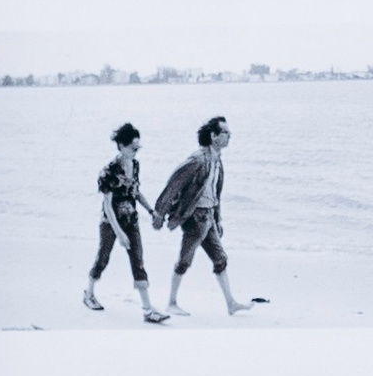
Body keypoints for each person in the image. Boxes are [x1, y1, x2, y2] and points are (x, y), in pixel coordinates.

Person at [151, 113, 263, 318]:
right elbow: (174, 183)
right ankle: (171, 303)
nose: (230, 136)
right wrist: (160, 213)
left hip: (208, 217)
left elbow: (214, 193)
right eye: (226, 133)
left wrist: (217, 218)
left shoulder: (217, 161)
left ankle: (231, 303)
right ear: (213, 136)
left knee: (220, 259)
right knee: (184, 260)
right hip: (195, 218)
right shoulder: (199, 159)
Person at [83, 119, 163, 317]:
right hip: (110, 223)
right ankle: (89, 294)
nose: (136, 150)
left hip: (131, 220)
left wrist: (151, 211)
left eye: (138, 147)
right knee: (103, 258)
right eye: (132, 147)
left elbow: (136, 192)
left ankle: (147, 309)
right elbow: (107, 206)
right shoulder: (108, 171)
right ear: (121, 145)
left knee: (138, 260)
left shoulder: (135, 165)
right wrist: (119, 233)